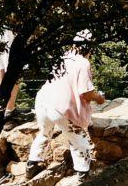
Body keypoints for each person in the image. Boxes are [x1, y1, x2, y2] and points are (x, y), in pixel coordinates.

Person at [27, 34, 98, 175]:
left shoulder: (63, 57)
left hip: (42, 101)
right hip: (60, 107)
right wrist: (99, 98)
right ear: (89, 48)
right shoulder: (83, 63)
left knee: (44, 133)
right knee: (78, 140)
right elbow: (86, 93)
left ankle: (32, 165)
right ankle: (83, 173)